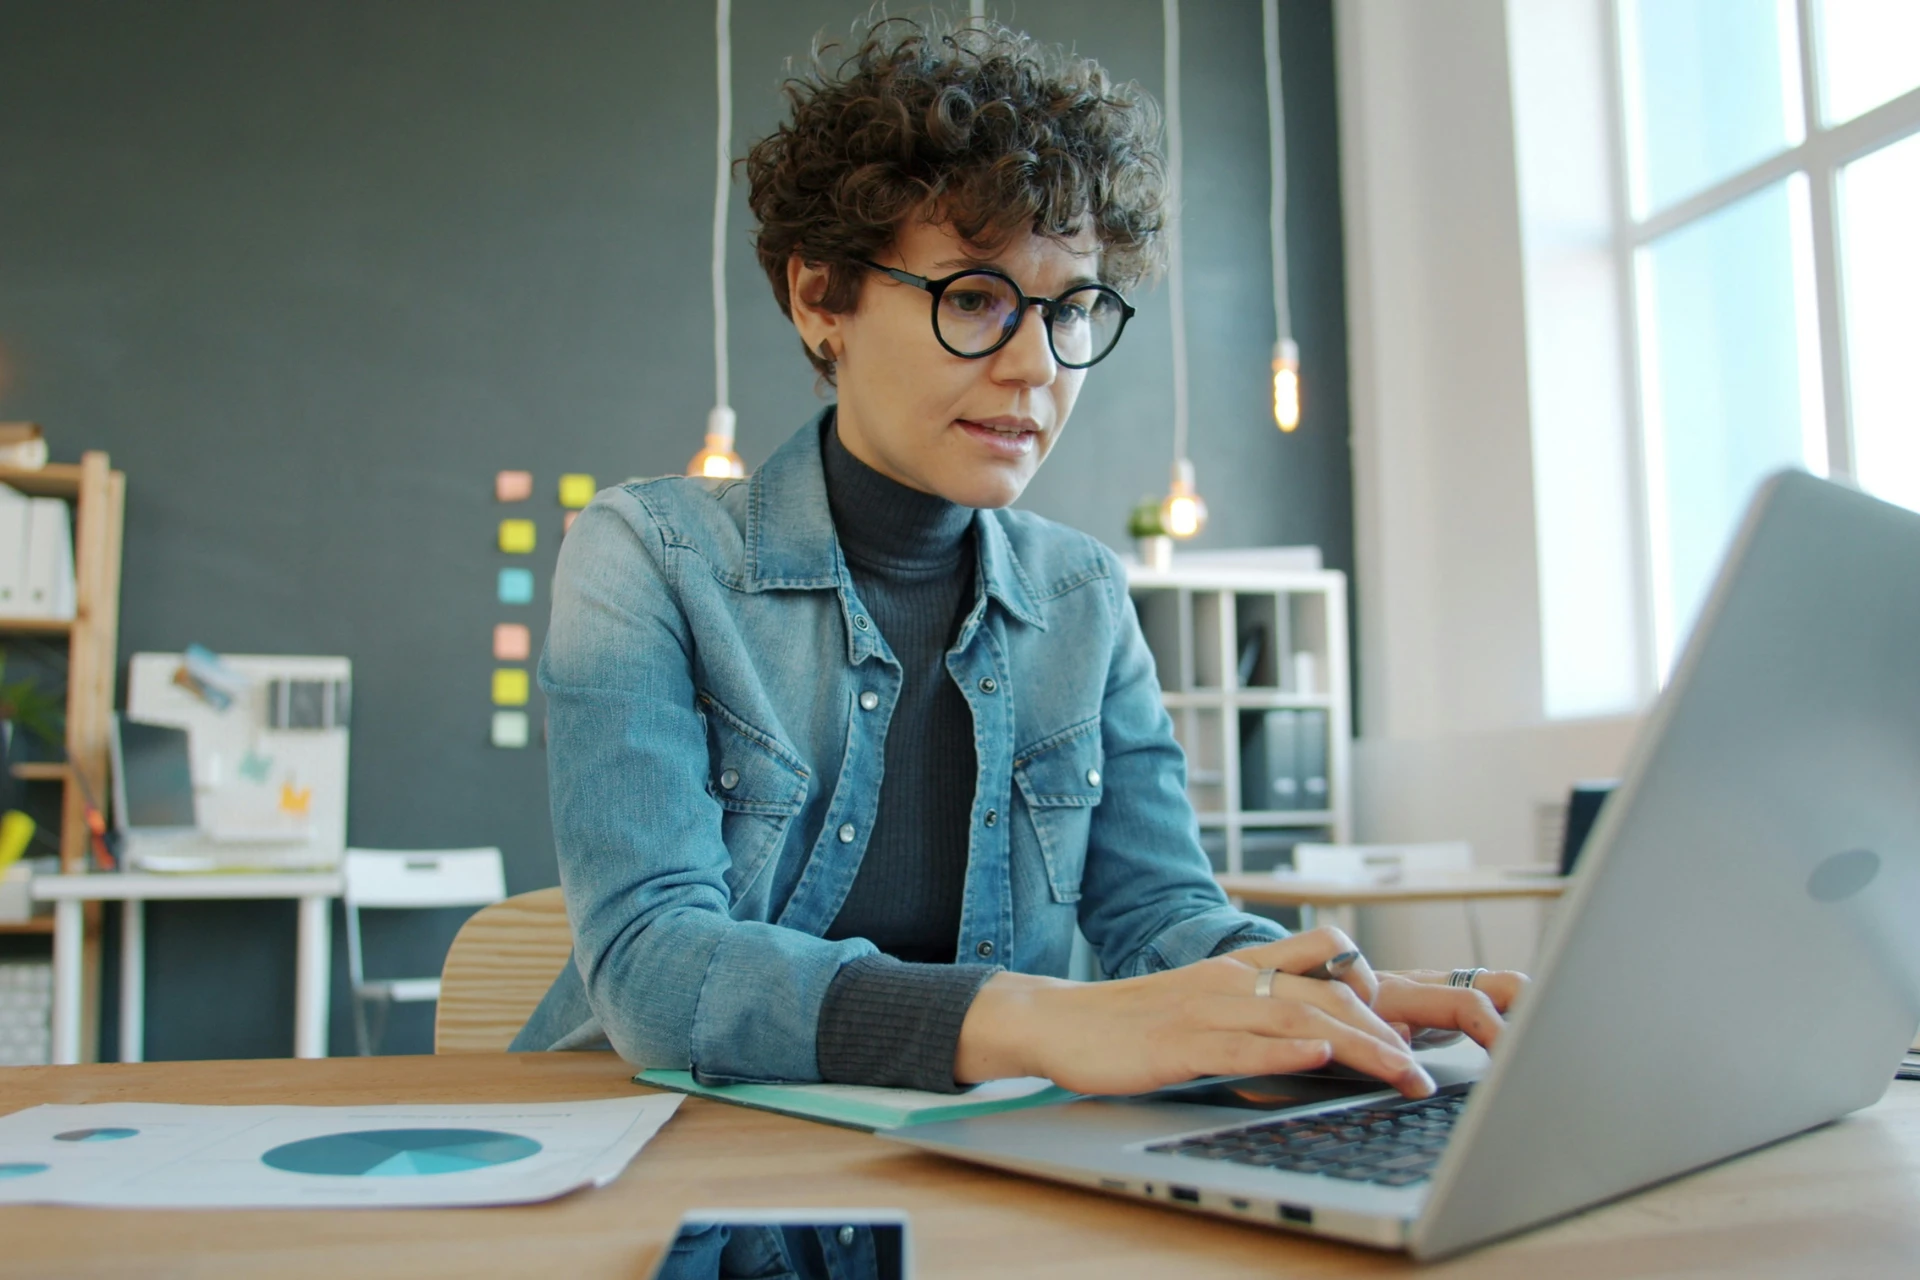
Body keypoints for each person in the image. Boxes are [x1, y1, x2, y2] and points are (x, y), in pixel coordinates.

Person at [512, 17, 1524, 1100]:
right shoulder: (648, 557)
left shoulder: (1082, 596)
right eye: (977, 299)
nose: (1037, 364)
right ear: (821, 299)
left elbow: (1158, 915)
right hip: (652, 1151)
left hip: (980, 1163)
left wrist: (1312, 995)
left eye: (1072, 307)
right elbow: (655, 964)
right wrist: (1040, 1019)